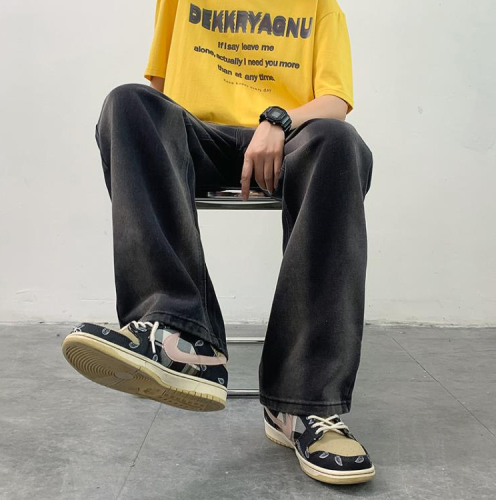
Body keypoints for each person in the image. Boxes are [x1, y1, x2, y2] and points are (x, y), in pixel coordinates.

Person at [62, 0, 375, 485]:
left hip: (285, 141)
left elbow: (334, 102)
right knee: (126, 104)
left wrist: (276, 122)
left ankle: (305, 404)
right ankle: (181, 334)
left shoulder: (319, 6)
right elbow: (159, 93)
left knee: (340, 142)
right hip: (200, 136)